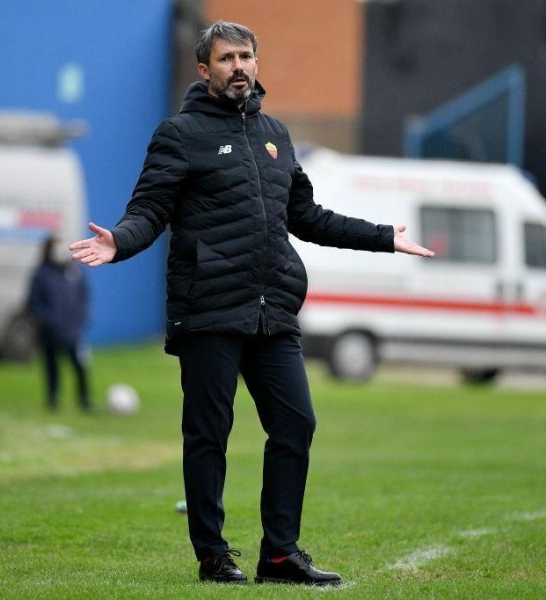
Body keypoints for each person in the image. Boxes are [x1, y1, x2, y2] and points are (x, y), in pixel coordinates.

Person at [68, 21, 434, 586]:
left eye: (246, 57)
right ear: (204, 70)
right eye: (226, 59)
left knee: (296, 424)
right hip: (210, 305)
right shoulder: (179, 133)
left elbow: (307, 217)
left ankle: (281, 555)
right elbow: (150, 210)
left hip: (273, 308)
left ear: (257, 63)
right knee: (209, 435)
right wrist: (119, 242)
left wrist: (383, 235)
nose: (238, 67)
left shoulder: (275, 134)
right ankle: (213, 555)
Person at [27, 234, 91, 412]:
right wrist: (48, 320)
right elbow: (33, 303)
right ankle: (53, 401)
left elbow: (83, 298)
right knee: (52, 367)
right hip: (51, 331)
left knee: (80, 366)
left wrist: (80, 320)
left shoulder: (74, 272)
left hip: (73, 330)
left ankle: (84, 400)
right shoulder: (41, 274)